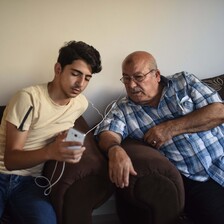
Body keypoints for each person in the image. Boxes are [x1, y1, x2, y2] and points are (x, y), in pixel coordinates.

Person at [94, 51, 224, 224]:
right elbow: (107, 133)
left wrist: (170, 128)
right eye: (126, 78)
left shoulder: (184, 82)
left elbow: (219, 111)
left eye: (138, 77)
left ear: (156, 75)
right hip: (195, 178)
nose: (131, 85)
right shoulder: (124, 109)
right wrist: (114, 149)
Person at [0, 40, 102, 224]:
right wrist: (51, 152)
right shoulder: (28, 98)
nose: (80, 83)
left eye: (87, 78)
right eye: (75, 74)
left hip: (30, 183)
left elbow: (62, 129)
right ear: (58, 69)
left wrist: (70, 147)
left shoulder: (81, 104)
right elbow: (10, 161)